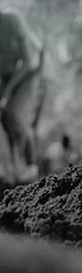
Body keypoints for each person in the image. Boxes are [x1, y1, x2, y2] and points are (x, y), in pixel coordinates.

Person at [0, 10, 43, 183]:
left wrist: (7, 93)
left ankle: (32, 167)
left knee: (14, 113)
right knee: (5, 119)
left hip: (29, 74)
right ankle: (14, 169)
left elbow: (30, 61)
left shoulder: (13, 20)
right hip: (7, 78)